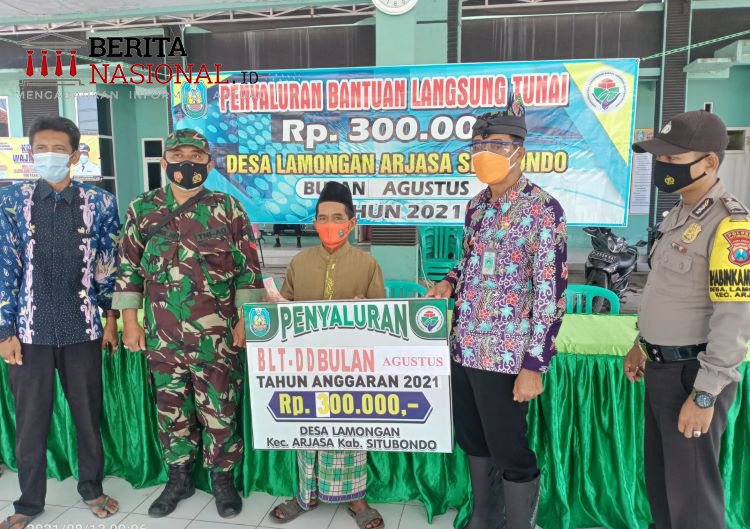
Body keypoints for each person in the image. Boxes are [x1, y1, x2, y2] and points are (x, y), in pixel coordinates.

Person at [426, 97, 568, 529]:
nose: (485, 153)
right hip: (464, 345)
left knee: (509, 449)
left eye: (497, 145)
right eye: (479, 146)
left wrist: (534, 365)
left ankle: (519, 523)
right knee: (473, 440)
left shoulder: (543, 209)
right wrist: (449, 281)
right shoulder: (476, 206)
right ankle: (485, 517)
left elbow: (551, 295)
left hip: (506, 355)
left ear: (519, 151)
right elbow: (469, 260)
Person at [113, 128, 263, 519]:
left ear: (209, 165)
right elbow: (127, 269)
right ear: (164, 162)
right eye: (178, 156)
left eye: (196, 157)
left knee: (220, 408)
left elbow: (249, 270)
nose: (187, 163)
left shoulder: (228, 208)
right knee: (171, 408)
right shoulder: (142, 208)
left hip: (216, 337)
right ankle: (178, 478)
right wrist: (130, 321)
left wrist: (245, 320)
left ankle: (223, 480)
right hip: (162, 336)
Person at [623, 110, 750, 529]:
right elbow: (669, 293)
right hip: (662, 370)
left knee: (692, 502)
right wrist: (642, 344)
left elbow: (734, 319)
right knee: (663, 491)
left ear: (709, 162)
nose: (662, 166)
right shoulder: (679, 214)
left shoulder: (731, 224)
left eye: (673, 159)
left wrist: (705, 395)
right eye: (660, 158)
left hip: (693, 376)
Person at [0, 116, 121, 529]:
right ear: (30, 153)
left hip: (82, 329)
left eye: (57, 148)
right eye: (40, 148)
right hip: (29, 333)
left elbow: (107, 267)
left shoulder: (99, 202)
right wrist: (5, 331)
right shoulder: (11, 201)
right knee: (30, 422)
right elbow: (4, 268)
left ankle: (92, 488)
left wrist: (110, 318)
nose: (48, 155)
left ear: (73, 155)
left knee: (87, 417)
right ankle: (28, 502)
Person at [268, 181, 385, 529]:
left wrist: (365, 312)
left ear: (351, 223)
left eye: (337, 217)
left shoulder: (367, 264)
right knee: (308, 429)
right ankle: (306, 495)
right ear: (314, 223)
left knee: (350, 430)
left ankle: (357, 499)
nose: (329, 224)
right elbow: (284, 311)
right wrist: (271, 306)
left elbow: (383, 318)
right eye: (322, 218)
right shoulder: (299, 262)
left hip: (351, 366)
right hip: (306, 365)